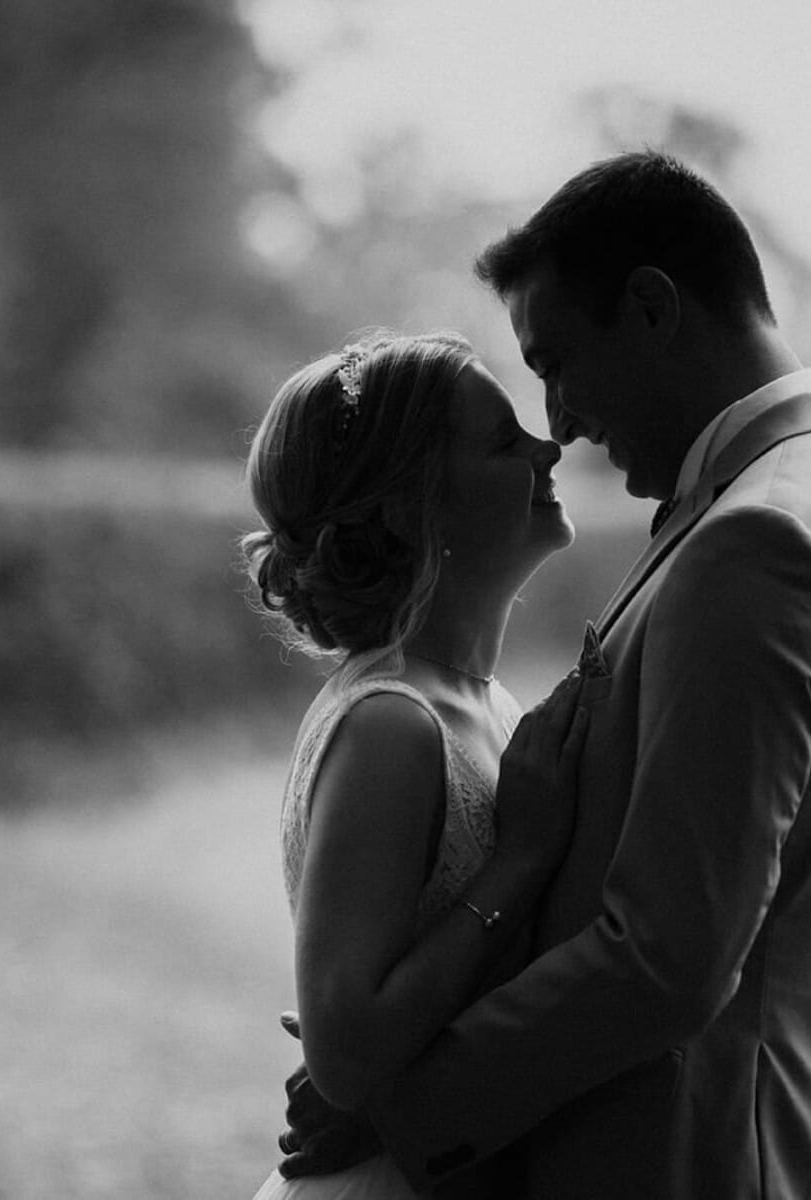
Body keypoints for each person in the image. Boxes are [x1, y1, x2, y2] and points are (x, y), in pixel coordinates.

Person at [282, 151, 811, 1198]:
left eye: (557, 362)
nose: (562, 423)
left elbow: (666, 956)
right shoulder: (808, 496)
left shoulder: (758, 541)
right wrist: (390, 1032)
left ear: (652, 308)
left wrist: (404, 1099)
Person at [241, 329, 589, 1199]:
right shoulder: (390, 726)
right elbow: (346, 1056)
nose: (548, 447)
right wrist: (519, 860)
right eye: (504, 440)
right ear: (408, 510)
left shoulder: (486, 703)